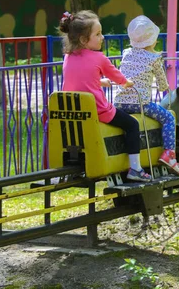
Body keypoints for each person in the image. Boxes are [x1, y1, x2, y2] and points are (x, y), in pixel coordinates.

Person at [59, 10, 151, 182]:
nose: (102, 37)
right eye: (98, 34)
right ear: (83, 40)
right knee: (132, 124)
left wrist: (99, 82)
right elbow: (117, 76)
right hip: (97, 110)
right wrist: (126, 83)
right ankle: (136, 168)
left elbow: (79, 78)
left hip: (74, 111)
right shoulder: (99, 57)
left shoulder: (68, 57)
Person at [114, 16, 179, 176]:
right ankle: (169, 154)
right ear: (152, 40)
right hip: (140, 103)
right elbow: (162, 85)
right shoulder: (154, 58)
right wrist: (167, 88)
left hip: (120, 103)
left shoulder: (126, 53)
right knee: (168, 118)